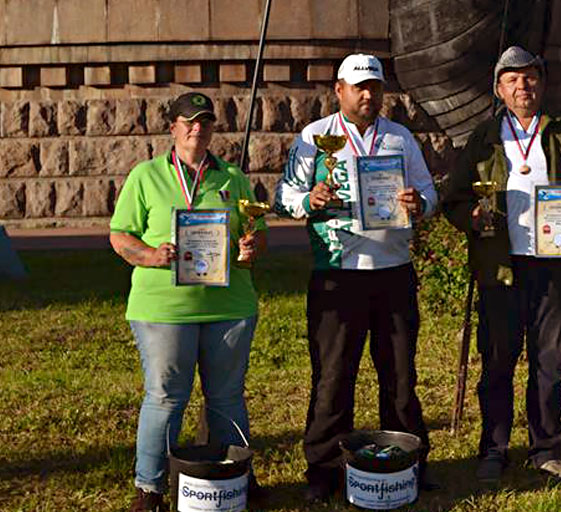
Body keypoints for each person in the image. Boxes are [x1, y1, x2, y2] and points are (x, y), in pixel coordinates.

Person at [442, 46, 561, 482]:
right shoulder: (483, 136)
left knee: (550, 358)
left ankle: (546, 446)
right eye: (513, 79)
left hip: (553, 264)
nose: (523, 86)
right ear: (499, 88)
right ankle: (494, 449)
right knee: (497, 357)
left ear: (542, 83)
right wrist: (471, 217)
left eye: (531, 77)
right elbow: (454, 198)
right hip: (500, 265)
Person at [274, 53, 438, 502]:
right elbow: (282, 195)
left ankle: (408, 462)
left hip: (393, 272)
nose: (368, 95)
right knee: (333, 376)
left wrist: (418, 201)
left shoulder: (400, 138)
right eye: (359, 87)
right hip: (338, 274)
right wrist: (310, 200)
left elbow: (429, 190)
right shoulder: (315, 137)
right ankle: (324, 470)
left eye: (376, 87)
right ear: (339, 90)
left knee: (400, 376)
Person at [109, 92, 267, 511]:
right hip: (164, 309)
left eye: (206, 121)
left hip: (229, 307)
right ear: (173, 127)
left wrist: (250, 248)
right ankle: (150, 487)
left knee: (228, 396)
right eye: (189, 121)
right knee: (165, 396)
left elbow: (256, 232)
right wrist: (150, 255)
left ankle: (236, 478)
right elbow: (119, 235)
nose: (198, 128)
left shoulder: (233, 178)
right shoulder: (146, 176)